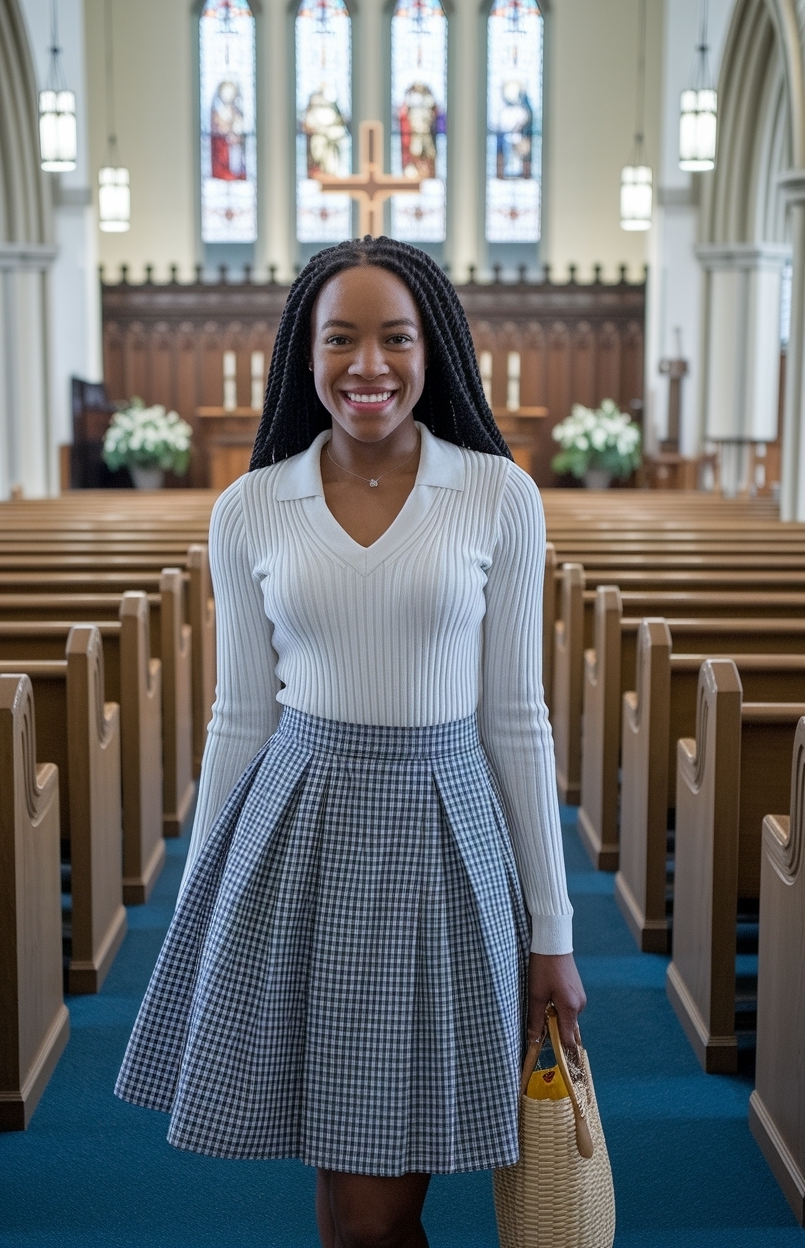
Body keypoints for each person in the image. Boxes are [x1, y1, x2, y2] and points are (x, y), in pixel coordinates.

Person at [115, 236, 586, 1248]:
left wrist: (553, 929)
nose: (368, 365)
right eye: (340, 339)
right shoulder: (249, 508)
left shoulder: (498, 494)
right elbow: (240, 716)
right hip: (299, 832)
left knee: (374, 1210)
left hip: (440, 839)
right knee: (342, 1181)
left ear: (433, 349)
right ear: (305, 352)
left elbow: (515, 717)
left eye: (395, 338)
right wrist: (202, 906)